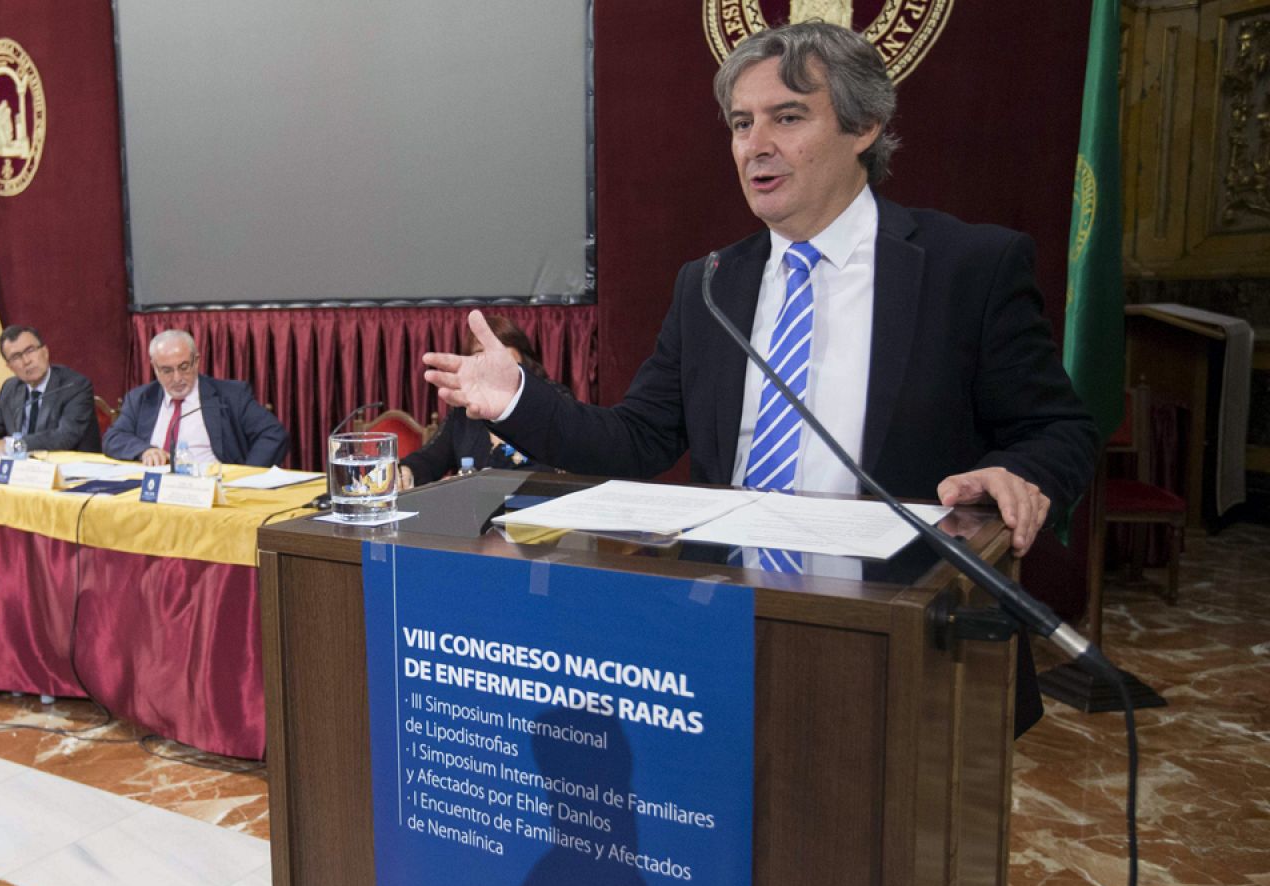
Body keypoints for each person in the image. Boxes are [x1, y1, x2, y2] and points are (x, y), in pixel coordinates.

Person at [424, 22, 1096, 559]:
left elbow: (1056, 430)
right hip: (727, 617)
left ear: (863, 128)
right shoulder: (711, 283)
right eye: (743, 125)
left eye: (788, 118)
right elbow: (636, 440)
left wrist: (1018, 475)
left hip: (907, 618)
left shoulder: (967, 266)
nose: (756, 146)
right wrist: (512, 396)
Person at [401, 316, 565, 489]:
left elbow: (554, 469)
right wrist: (406, 472)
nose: (491, 359)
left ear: (521, 355)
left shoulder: (551, 396)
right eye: (480, 353)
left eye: (500, 348)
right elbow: (430, 458)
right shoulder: (465, 410)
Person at [103, 329, 289, 468]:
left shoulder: (231, 396)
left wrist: (247, 477)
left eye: (184, 367)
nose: (177, 378)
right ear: (155, 368)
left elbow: (273, 434)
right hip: (154, 492)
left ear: (196, 361)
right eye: (167, 370)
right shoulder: (141, 398)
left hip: (210, 491)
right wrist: (144, 450)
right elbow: (113, 438)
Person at [0, 325, 100, 454]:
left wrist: (4, 445)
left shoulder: (75, 386)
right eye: (16, 357)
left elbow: (64, 438)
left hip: (71, 475)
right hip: (23, 474)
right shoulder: (11, 388)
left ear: (45, 352)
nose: (26, 361)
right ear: (9, 367)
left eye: (30, 350)